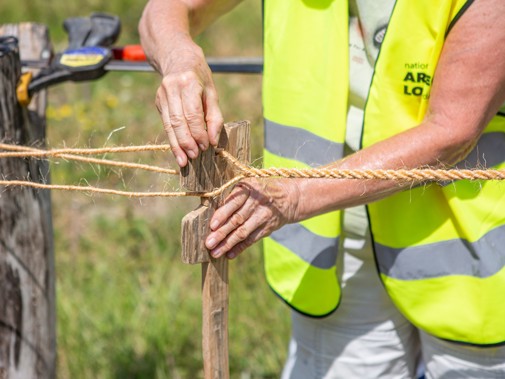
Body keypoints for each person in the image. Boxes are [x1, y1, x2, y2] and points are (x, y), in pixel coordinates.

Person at [139, 0, 505, 377]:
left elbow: (453, 129)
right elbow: (167, 9)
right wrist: (179, 57)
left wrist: (296, 195)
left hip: (469, 254)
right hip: (336, 244)